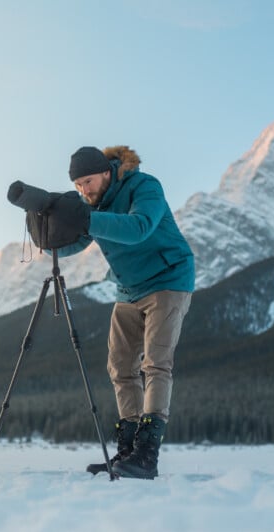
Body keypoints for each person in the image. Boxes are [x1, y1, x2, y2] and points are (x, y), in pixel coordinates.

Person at [57, 145, 195, 479]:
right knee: (120, 367)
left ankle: (147, 456)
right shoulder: (96, 204)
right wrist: (46, 232)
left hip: (168, 280)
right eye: (78, 186)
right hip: (128, 290)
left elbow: (139, 228)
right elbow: (73, 242)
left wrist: (87, 217)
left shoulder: (144, 186)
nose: (84, 191)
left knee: (156, 363)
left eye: (87, 182)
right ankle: (128, 452)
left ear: (107, 172)